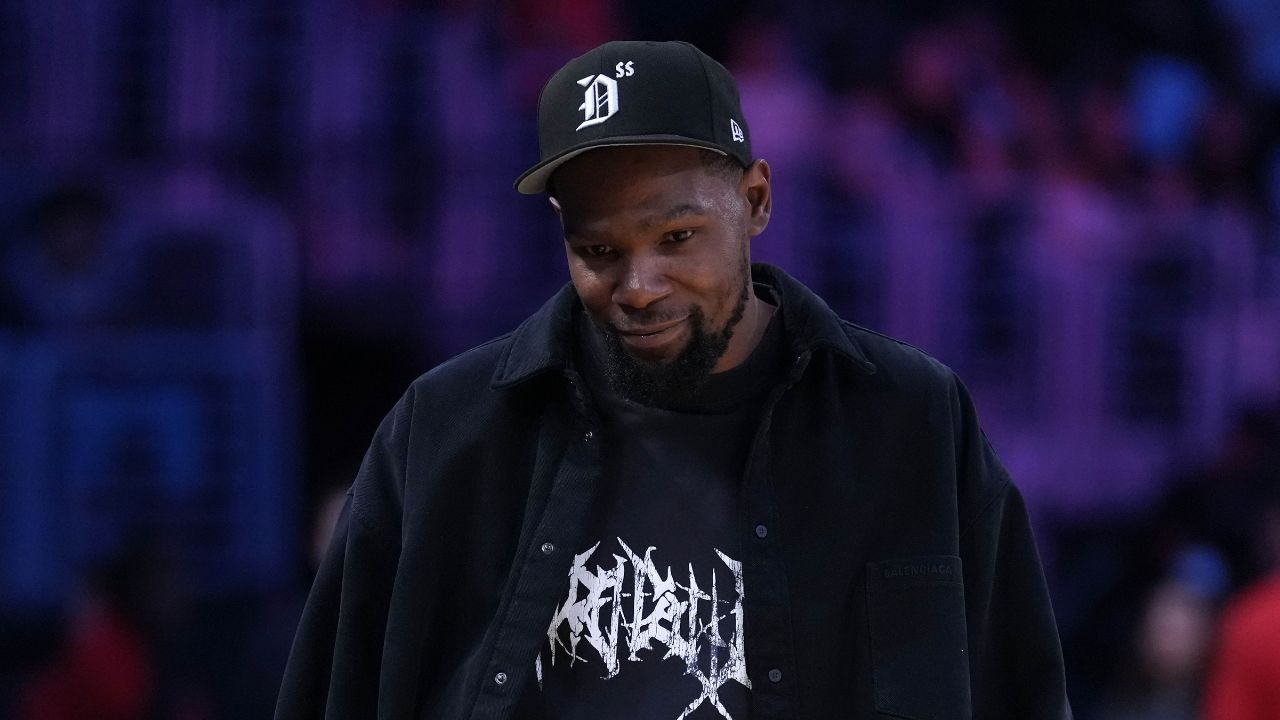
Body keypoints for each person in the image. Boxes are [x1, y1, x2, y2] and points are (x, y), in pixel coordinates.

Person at [275, 40, 1071, 719]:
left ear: (756, 200)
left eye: (677, 235)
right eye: (599, 251)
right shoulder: (445, 431)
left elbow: (1020, 690)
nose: (641, 284)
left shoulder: (913, 420)